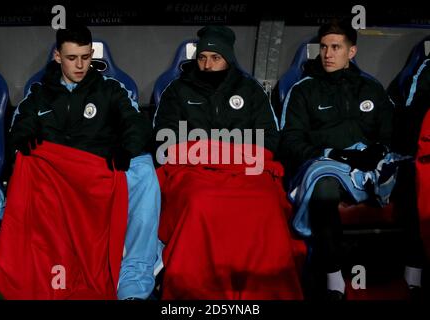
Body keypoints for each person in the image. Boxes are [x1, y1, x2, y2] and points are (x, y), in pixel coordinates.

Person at [0, 24, 159, 300]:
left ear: (91, 53)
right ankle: (52, 274)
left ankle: (133, 282)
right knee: (26, 162)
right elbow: (19, 128)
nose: (80, 65)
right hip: (58, 180)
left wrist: (126, 148)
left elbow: (136, 123)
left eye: (85, 57)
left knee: (145, 171)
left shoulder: (111, 89)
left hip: (100, 171)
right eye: (72, 58)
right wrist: (22, 139)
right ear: (58, 56)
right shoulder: (39, 95)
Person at [152, 25, 304, 299]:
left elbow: (270, 139)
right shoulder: (177, 90)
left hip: (245, 172)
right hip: (194, 172)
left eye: (215, 58)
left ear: (228, 58)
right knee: (201, 202)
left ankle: (264, 288)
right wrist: (210, 152)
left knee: (265, 202)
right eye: (202, 58)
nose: (207, 65)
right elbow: (164, 142)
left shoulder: (250, 89)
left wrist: (223, 153)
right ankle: (196, 288)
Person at [280, 19, 426, 300]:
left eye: (336, 47)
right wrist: (329, 153)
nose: (328, 54)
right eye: (324, 47)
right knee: (323, 186)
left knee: (411, 175)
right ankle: (333, 280)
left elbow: (390, 134)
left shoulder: (371, 88)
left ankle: (414, 275)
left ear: (352, 52)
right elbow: (290, 140)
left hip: (369, 164)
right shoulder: (302, 90)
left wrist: (378, 150)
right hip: (327, 163)